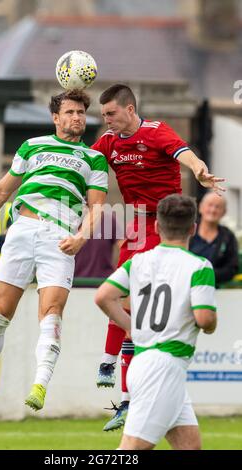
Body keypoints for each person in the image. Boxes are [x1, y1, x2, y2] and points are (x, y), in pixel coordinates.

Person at [0, 89, 108, 426]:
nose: (76, 118)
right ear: (55, 117)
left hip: (60, 237)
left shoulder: (93, 158)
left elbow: (98, 205)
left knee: (52, 313)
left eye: (81, 113)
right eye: (70, 112)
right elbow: (2, 189)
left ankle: (40, 384)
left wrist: (82, 237)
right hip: (23, 229)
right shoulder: (32, 146)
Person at [91, 84, 224, 431]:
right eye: (103, 115)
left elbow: (184, 154)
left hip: (165, 223)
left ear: (130, 110)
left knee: (136, 301)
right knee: (123, 297)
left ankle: (127, 391)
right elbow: (84, 164)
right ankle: (114, 374)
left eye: (111, 114)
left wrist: (198, 169)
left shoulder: (156, 131)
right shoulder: (108, 142)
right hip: (135, 222)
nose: (106, 121)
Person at [95, 194, 217, 450]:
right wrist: (210, 324)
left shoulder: (137, 261)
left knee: (190, 447)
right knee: (130, 451)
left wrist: (129, 326)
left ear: (157, 227)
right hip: (164, 367)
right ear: (193, 228)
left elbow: (104, 296)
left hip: (144, 361)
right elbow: (204, 319)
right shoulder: (199, 266)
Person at [189, 192, 239, 287]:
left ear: (224, 212)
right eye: (210, 205)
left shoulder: (228, 236)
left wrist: (207, 275)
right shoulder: (188, 231)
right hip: (187, 286)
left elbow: (232, 268)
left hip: (214, 288)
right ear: (200, 207)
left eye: (218, 207)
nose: (213, 210)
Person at [74, 210, 122, 285]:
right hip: (73, 285)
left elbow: (124, 248)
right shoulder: (71, 220)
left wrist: (120, 275)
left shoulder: (108, 220)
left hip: (103, 284)